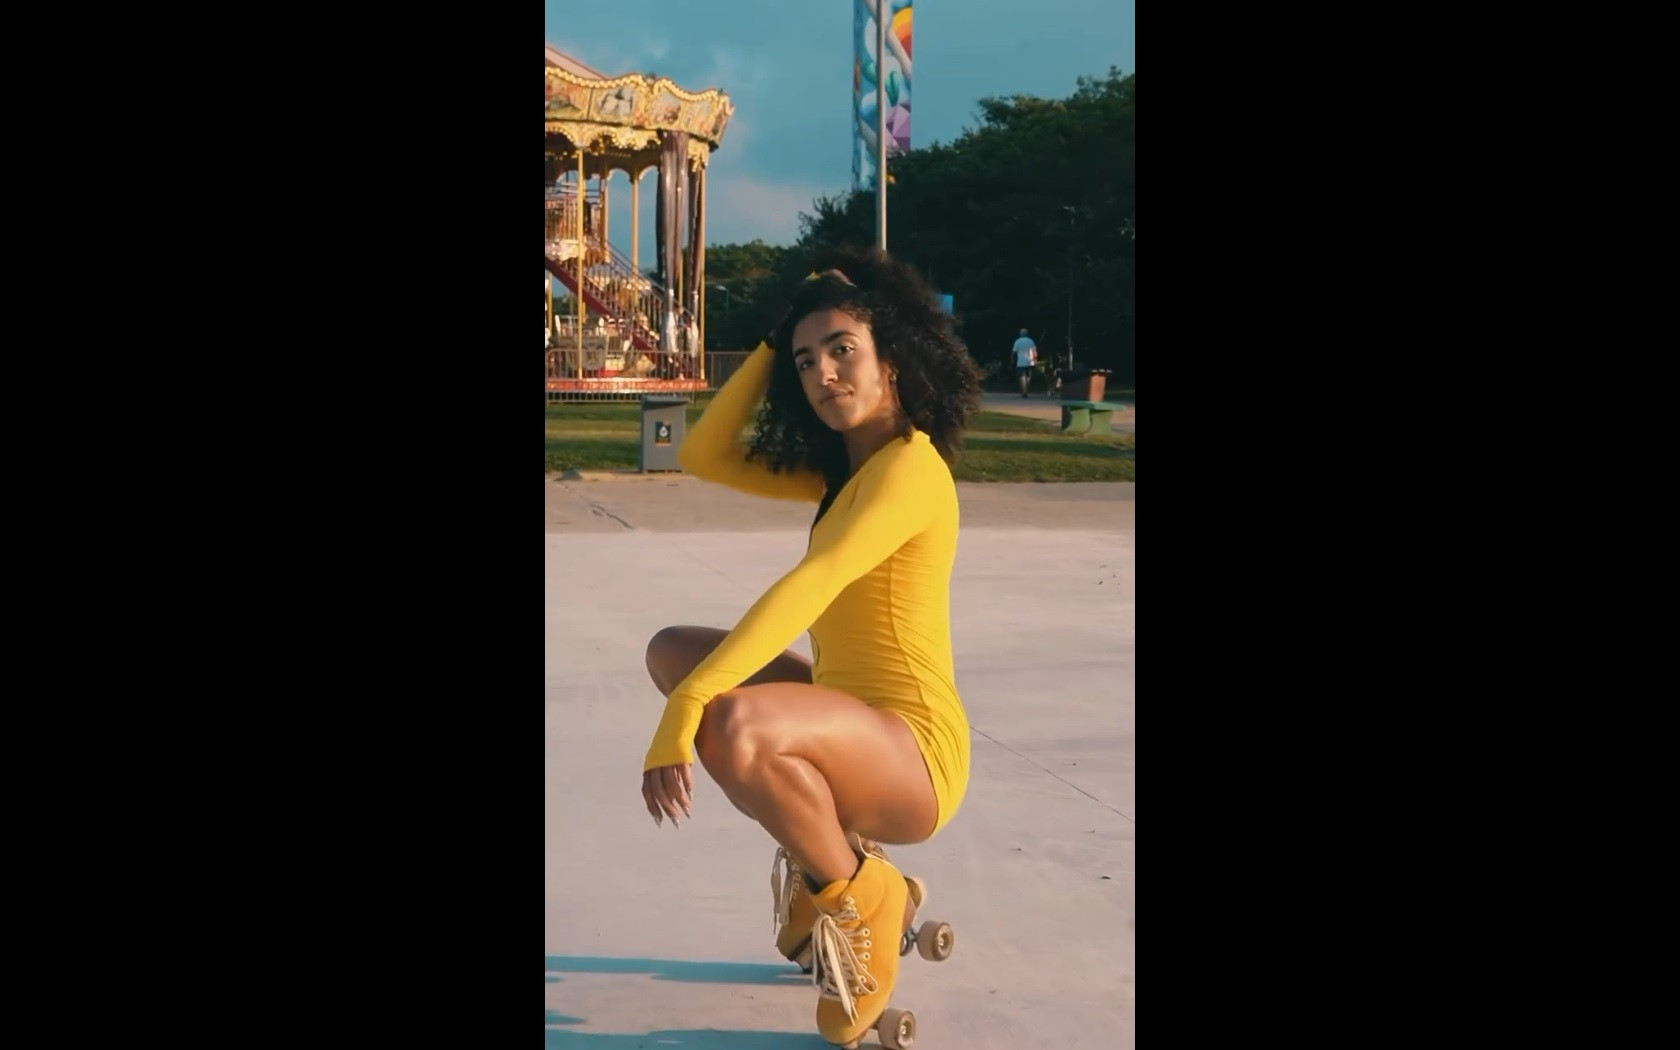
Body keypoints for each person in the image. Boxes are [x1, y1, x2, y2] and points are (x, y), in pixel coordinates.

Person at [640, 246, 980, 1046]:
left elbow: (815, 582)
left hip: (915, 756)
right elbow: (701, 453)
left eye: (842, 350)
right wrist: (775, 333)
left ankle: (863, 895)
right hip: (851, 721)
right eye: (805, 361)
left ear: (892, 356)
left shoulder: (912, 470)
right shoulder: (845, 472)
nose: (823, 373)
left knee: (733, 724)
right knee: (672, 652)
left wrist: (691, 708)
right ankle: (834, 858)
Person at [1012, 328, 1038, 397]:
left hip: (1020, 362)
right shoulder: (1030, 341)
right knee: (1028, 377)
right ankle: (1026, 390)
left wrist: (1012, 359)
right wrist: (1035, 359)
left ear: (1020, 334)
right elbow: (1034, 351)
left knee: (1022, 377)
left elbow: (1014, 352)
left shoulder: (1017, 341)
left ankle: (1024, 391)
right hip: (1030, 362)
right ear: (1027, 334)